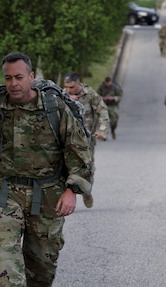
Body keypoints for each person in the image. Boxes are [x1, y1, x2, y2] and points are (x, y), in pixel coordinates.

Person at [0, 52, 92, 286]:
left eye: (19, 77)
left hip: (48, 195)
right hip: (5, 194)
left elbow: (78, 151)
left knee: (42, 270)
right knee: (7, 265)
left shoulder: (55, 109)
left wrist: (72, 190)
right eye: (8, 78)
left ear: (31, 76)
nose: (13, 83)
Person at [63, 71, 110, 208]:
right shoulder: (62, 95)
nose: (68, 90)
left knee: (87, 168)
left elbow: (103, 110)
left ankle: (86, 192)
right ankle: (66, 195)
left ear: (78, 84)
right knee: (64, 167)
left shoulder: (89, 94)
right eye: (66, 86)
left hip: (86, 139)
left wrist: (102, 130)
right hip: (67, 138)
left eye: (71, 87)